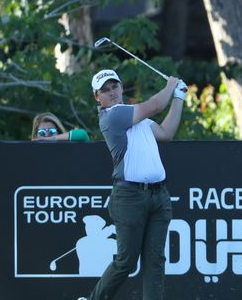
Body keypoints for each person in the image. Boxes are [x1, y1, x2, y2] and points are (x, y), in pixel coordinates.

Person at [79, 69, 187, 300]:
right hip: (129, 197)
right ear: (97, 97)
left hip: (159, 195)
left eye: (114, 87)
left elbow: (166, 133)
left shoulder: (136, 116)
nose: (111, 93)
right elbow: (156, 105)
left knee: (155, 261)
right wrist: (170, 85)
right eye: (105, 90)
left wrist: (179, 97)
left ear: (121, 87)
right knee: (126, 261)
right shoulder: (112, 116)